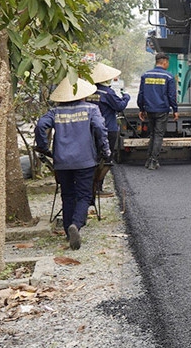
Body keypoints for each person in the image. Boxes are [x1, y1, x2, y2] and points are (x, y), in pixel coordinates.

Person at [35, 77, 111, 251]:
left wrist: (44, 147)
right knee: (84, 195)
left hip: (62, 161)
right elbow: (100, 129)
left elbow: (40, 125)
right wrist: (105, 151)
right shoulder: (91, 109)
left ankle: (69, 233)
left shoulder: (55, 112)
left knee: (67, 195)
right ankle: (76, 224)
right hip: (85, 161)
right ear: (83, 95)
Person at [88, 62, 130, 197]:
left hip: (90, 129)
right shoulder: (108, 92)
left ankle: (90, 186)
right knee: (105, 158)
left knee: (93, 156)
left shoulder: (89, 91)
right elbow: (119, 106)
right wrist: (126, 97)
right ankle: (98, 187)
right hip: (107, 129)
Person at [137, 53, 178, 170]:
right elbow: (171, 96)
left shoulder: (146, 75)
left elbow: (141, 94)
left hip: (149, 109)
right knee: (158, 135)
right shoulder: (168, 77)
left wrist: (141, 108)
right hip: (162, 110)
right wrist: (175, 109)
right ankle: (153, 161)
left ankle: (149, 159)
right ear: (164, 62)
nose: (168, 65)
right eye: (168, 63)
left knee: (152, 134)